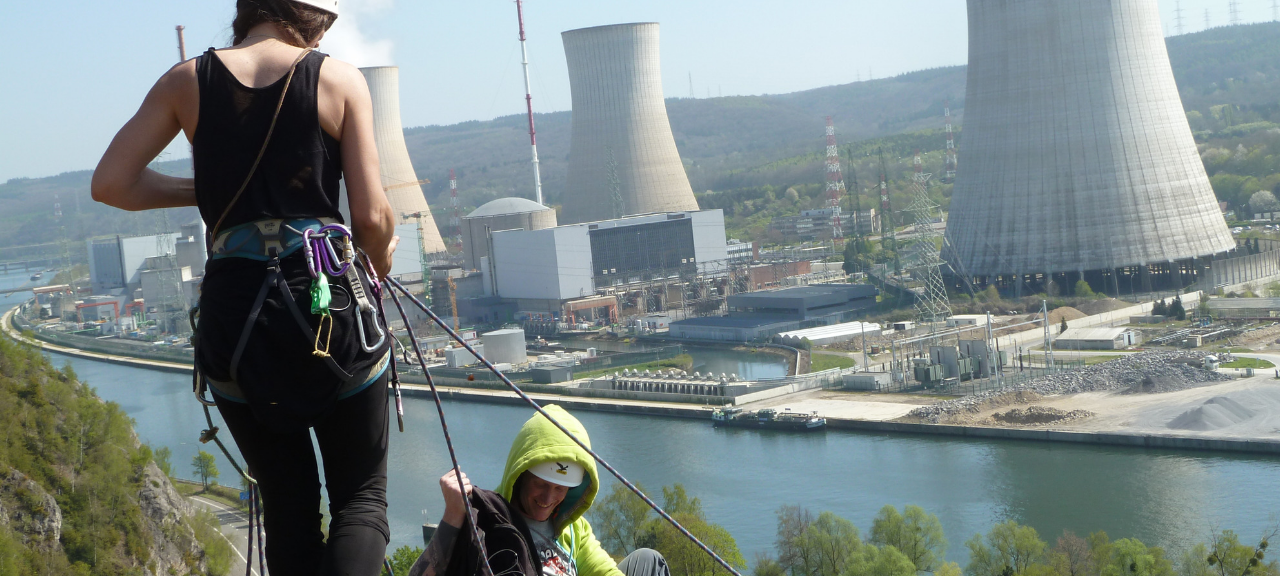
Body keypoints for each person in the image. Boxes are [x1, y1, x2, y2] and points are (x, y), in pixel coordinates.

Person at [91, 1, 398, 573]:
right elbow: (374, 219)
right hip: (325, 303)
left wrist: (208, 190)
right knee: (361, 501)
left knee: (288, 508)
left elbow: (113, 183)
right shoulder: (337, 78)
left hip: (236, 319)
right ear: (311, 18)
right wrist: (376, 262)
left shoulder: (187, 80)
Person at [409, 405, 669, 576]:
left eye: (560, 488)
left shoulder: (572, 529)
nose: (548, 499)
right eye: (541, 484)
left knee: (648, 560)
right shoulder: (488, 524)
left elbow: (603, 571)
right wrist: (452, 518)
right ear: (521, 475)